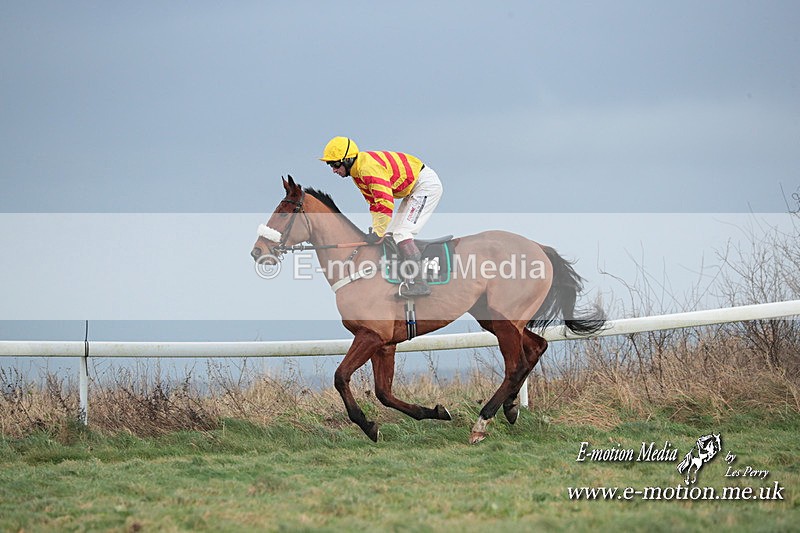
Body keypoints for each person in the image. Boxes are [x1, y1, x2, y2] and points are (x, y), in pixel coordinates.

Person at [320, 136, 443, 297]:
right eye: (330, 165)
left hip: (424, 186)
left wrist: (378, 232)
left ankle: (420, 283)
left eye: (335, 164)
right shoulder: (357, 174)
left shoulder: (367, 169)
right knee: (390, 235)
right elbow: (375, 204)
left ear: (348, 159)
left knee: (401, 233)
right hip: (412, 189)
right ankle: (403, 277)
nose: (334, 170)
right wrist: (378, 231)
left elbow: (385, 202)